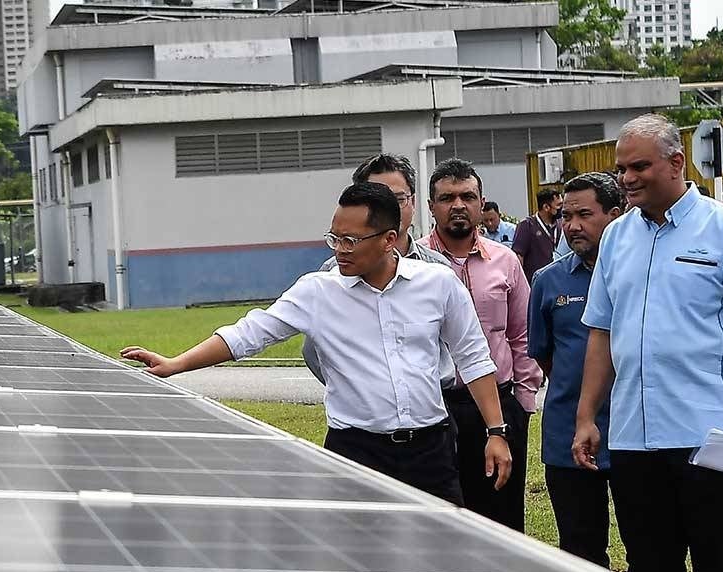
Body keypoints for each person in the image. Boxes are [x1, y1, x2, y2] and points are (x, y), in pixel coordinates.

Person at [123, 182, 513, 506]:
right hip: (355, 451)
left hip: (431, 451)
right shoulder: (317, 291)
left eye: (350, 240)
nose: (339, 248)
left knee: (440, 557)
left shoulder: (438, 284)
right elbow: (249, 333)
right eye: (334, 237)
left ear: (388, 239)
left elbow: (474, 359)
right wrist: (175, 364)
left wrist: (496, 431)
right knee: (355, 563)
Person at [573, 114, 723, 572]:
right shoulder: (618, 237)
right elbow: (601, 331)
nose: (627, 178)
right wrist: (586, 416)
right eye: (622, 168)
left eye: (639, 166)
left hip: (709, 439)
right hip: (633, 439)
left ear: (676, 162)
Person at [419, 159, 542, 531]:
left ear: (482, 202)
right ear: (431, 206)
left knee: (502, 519)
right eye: (447, 198)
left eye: (467, 196)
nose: (458, 205)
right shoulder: (417, 266)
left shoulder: (505, 261)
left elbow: (522, 335)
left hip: (499, 408)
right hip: (438, 408)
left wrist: (521, 404)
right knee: (445, 518)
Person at [527, 172, 622, 568]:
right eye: (566, 216)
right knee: (581, 551)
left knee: (650, 548)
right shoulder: (548, 281)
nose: (572, 226)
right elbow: (544, 355)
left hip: (634, 434)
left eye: (585, 214)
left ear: (616, 215)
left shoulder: (636, 274)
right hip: (568, 437)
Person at [303, 153, 450, 385]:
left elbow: (459, 345)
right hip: (364, 413)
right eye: (377, 202)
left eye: (398, 199)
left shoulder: (437, 268)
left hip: (433, 406)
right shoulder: (335, 273)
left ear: (413, 201)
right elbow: (313, 349)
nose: (389, 209)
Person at [513, 188, 564, 283]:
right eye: (558, 205)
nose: (562, 209)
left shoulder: (561, 225)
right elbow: (518, 257)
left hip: (558, 281)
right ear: (546, 207)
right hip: (534, 283)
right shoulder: (527, 225)